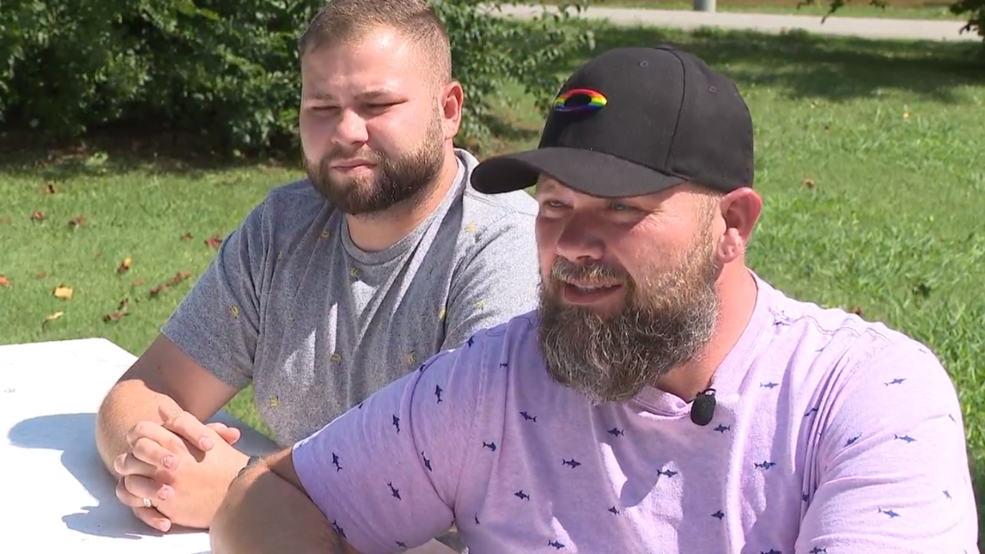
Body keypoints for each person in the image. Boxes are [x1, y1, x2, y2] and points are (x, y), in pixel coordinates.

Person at [206, 45, 979, 554]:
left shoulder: (864, 397)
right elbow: (267, 500)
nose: (574, 244)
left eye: (620, 209)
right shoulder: (500, 377)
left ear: (731, 224)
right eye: (552, 207)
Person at [92, 0, 540, 548]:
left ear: (448, 110)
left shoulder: (505, 248)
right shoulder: (284, 227)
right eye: (322, 107)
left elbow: (453, 482)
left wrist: (245, 490)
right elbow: (148, 387)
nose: (347, 131)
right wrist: (151, 460)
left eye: (377, 104)